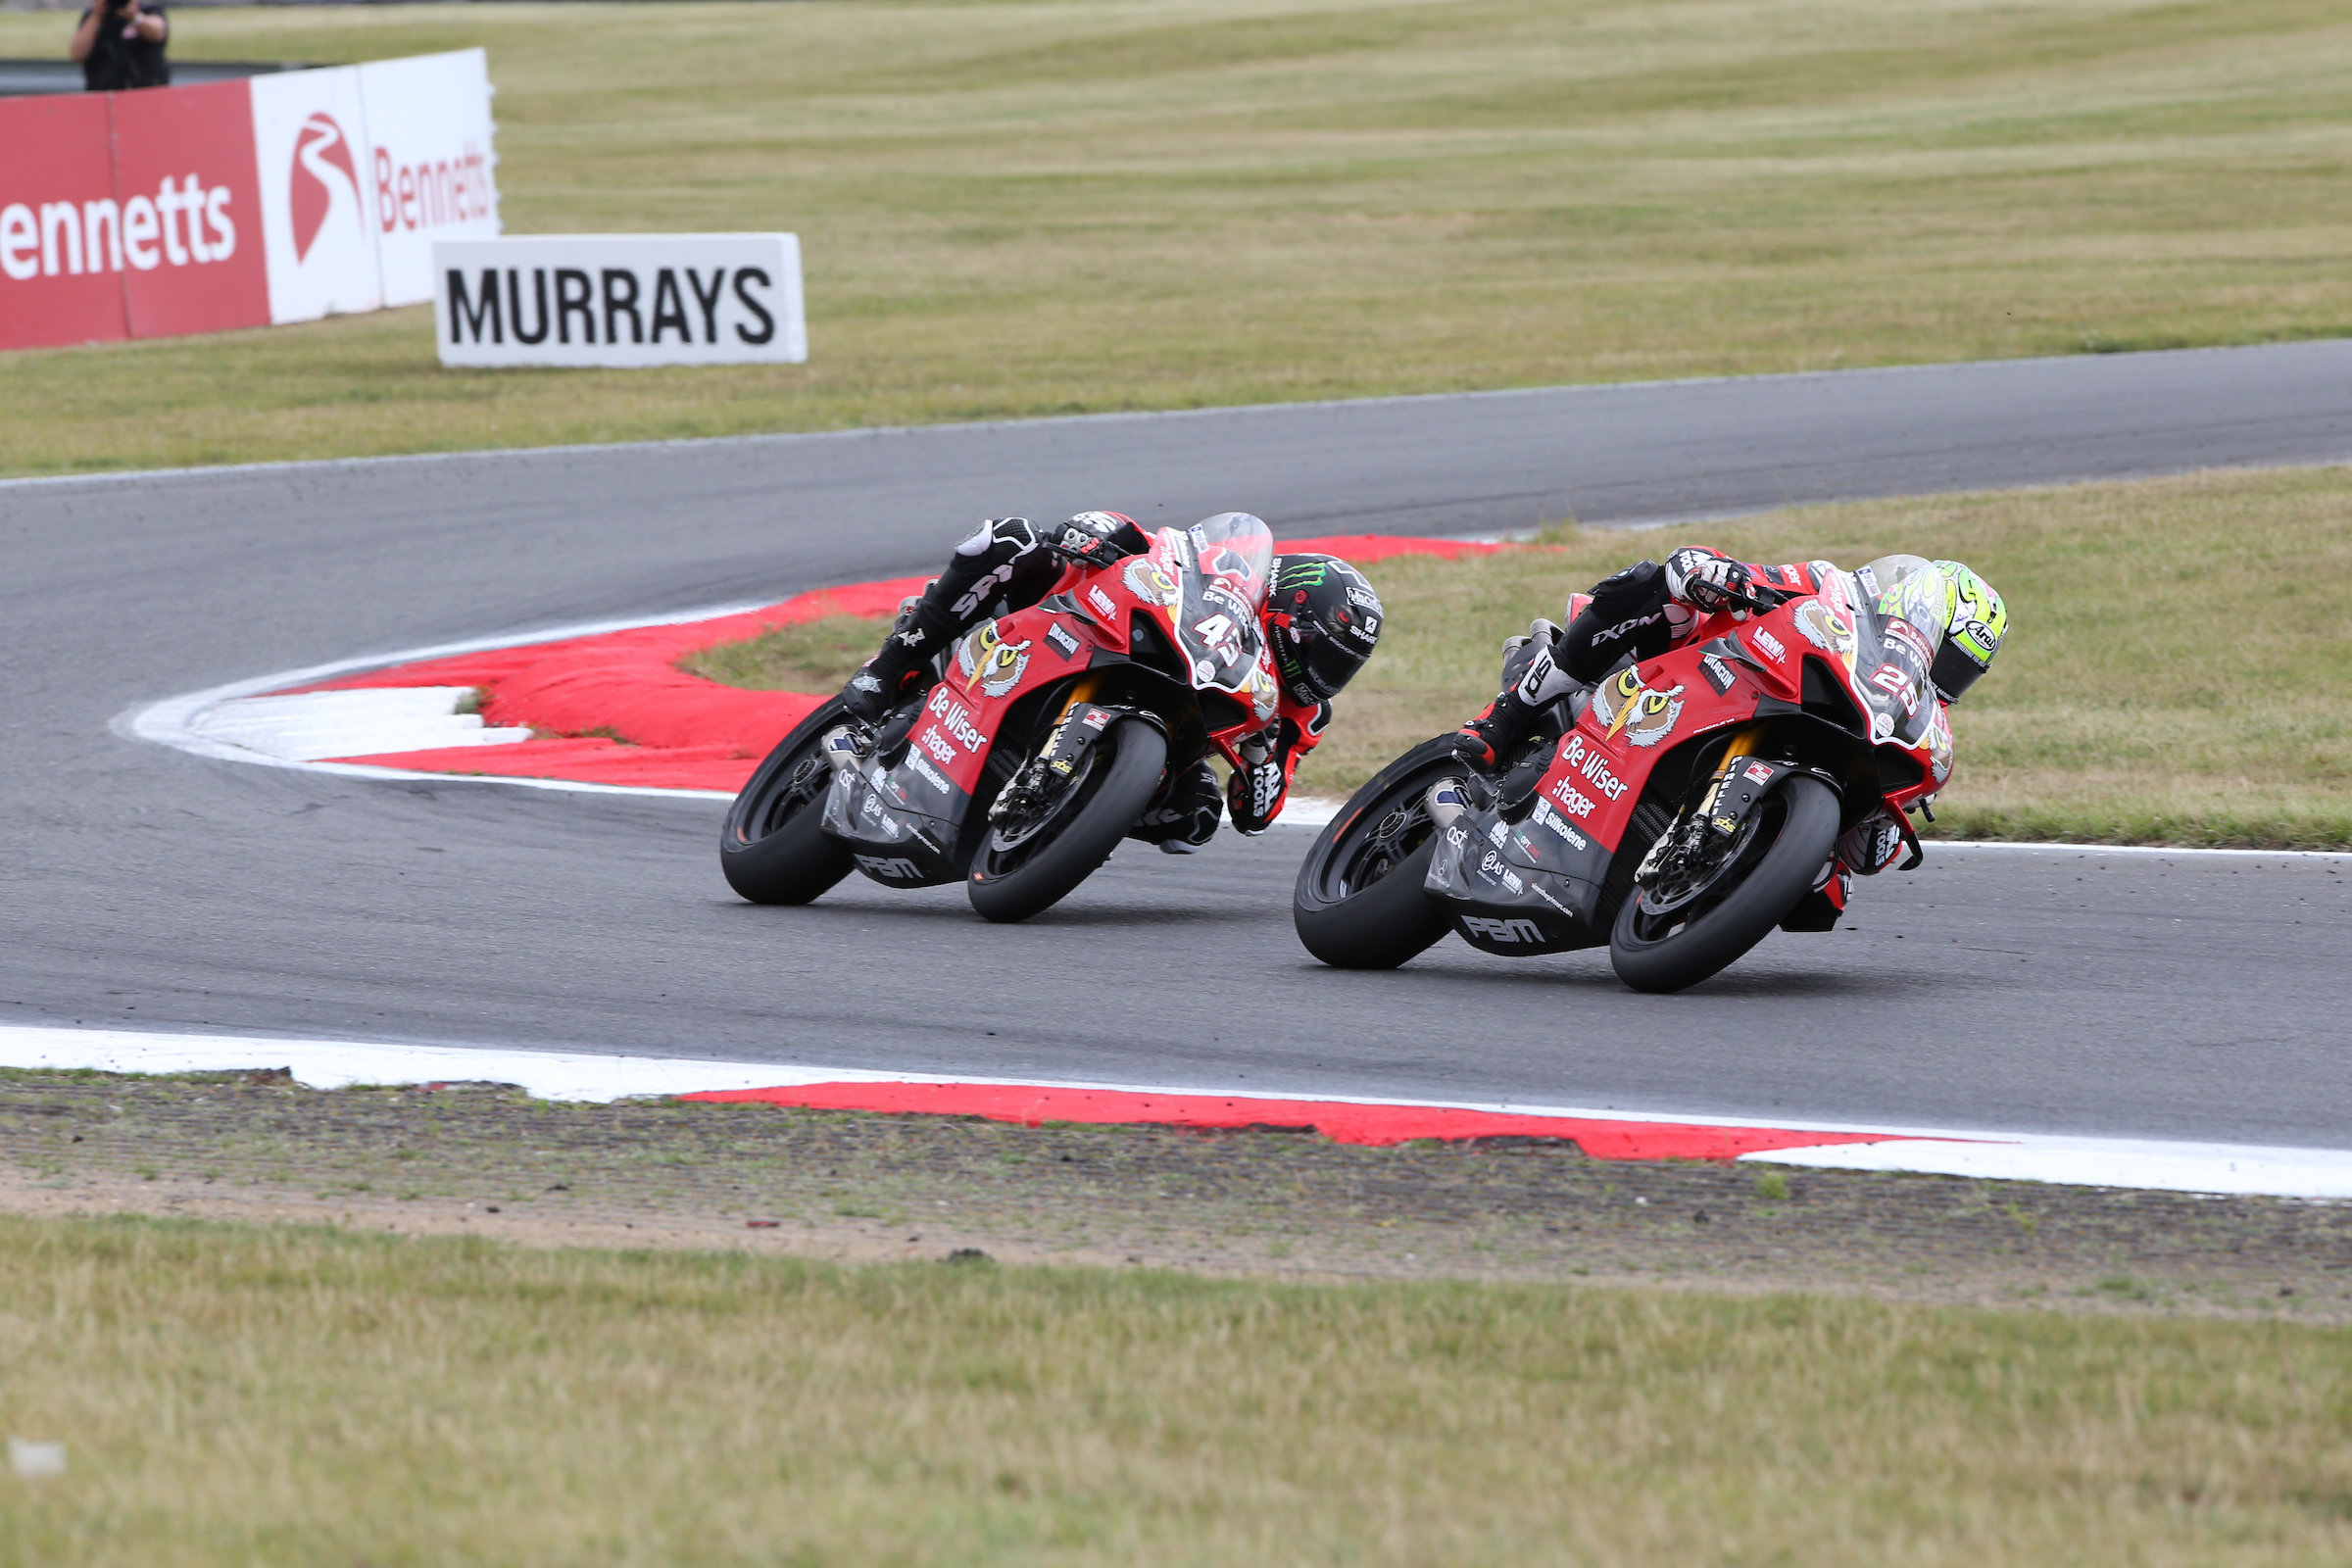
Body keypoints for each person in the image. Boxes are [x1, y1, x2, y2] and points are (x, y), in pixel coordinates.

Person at [836, 511, 1382, 852]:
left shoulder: (1299, 713)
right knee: (1007, 539)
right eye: (1322, 655)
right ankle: (886, 671)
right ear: (1287, 612)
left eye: (1341, 670)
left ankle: (1073, 814)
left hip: (1166, 727)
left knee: (1194, 817)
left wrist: (1261, 764)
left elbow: (1257, 814)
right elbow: (1160, 545)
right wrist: (1101, 533)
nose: (1323, 677)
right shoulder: (1225, 572)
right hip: (1081, 635)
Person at [1452, 545, 2008, 767]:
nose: (1943, 678)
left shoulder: (1917, 724)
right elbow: (1747, 575)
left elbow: (1871, 857)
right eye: (1947, 656)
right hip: (1681, 678)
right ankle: (1506, 717)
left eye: (1961, 672)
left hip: (1762, 738)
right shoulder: (1832, 587)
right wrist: (1713, 574)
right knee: (1660, 585)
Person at [72, 0, 170, 92]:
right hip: (103, 88)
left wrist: (135, 18)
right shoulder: (92, 17)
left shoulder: (148, 11)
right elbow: (78, 53)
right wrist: (97, 16)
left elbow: (158, 32)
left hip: (145, 89)